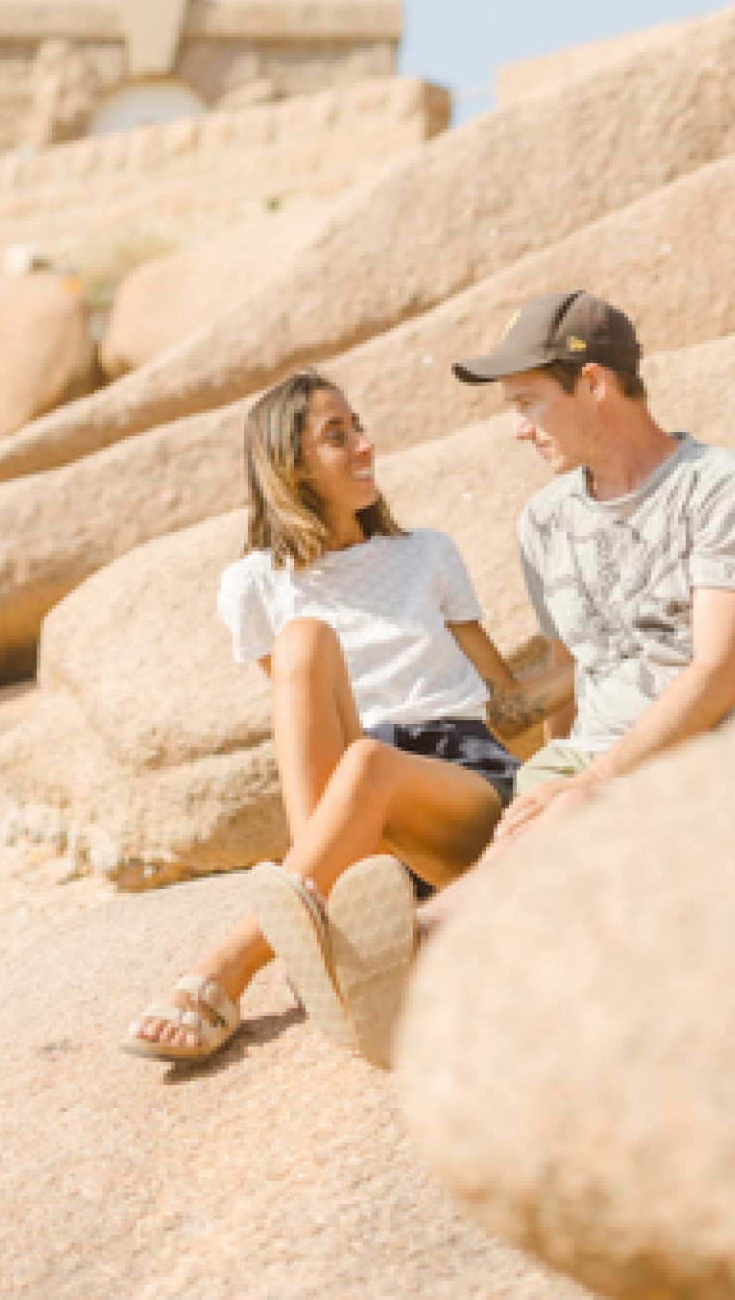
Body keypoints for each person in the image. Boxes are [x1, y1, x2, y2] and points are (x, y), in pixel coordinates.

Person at [292, 287, 735, 1051]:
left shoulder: (724, 491)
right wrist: (550, 781)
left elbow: (719, 674)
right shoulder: (546, 521)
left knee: (572, 824)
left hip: (712, 757)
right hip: (590, 767)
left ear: (592, 384)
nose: (518, 430)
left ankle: (413, 946)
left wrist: (587, 786)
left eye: (527, 403)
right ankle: (405, 961)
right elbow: (573, 670)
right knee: (533, 831)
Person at [123, 366, 562, 1071]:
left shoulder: (425, 553)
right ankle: (325, 903)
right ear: (291, 465)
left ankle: (230, 968)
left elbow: (503, 699)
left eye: (357, 427)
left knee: (368, 764)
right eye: (338, 435)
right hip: (352, 820)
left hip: (457, 788)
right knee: (305, 643)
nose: (365, 445)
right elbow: (306, 722)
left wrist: (614, 660)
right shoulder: (253, 585)